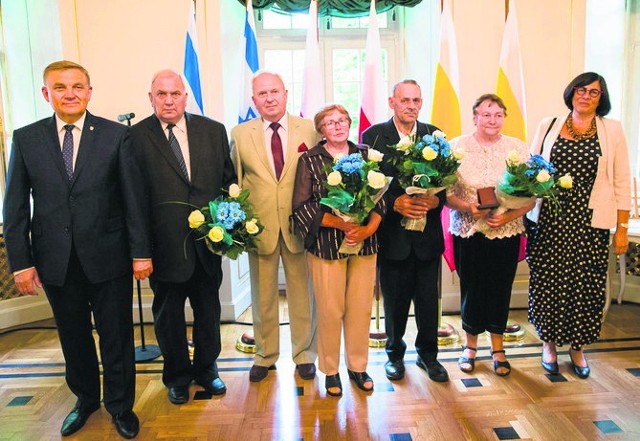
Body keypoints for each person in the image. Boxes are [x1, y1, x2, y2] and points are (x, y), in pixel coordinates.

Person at [3, 60, 151, 439]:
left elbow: (133, 200)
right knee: (73, 337)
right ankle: (85, 400)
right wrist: (21, 263)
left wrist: (141, 252)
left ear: (89, 91)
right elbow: (15, 206)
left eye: (77, 86)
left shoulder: (116, 136)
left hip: (110, 257)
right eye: (60, 87)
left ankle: (120, 406)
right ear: (46, 93)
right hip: (55, 260)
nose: (70, 93)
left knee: (116, 335)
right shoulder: (27, 138)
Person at [130, 70, 236, 404]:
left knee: (208, 313)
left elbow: (227, 185)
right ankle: (176, 375)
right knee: (168, 317)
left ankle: (207, 370)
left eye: (175, 93)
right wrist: (140, 251)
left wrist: (227, 231)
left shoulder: (213, 131)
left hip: (207, 245)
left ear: (185, 96)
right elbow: (132, 199)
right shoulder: (134, 137)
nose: (169, 100)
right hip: (163, 251)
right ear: (151, 98)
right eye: (161, 94)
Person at [526, 72, 630, 379]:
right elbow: (532, 169)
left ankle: (577, 347)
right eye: (580, 90)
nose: (585, 96)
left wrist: (622, 228)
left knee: (586, 284)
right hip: (550, 218)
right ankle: (548, 343)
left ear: (602, 98)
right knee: (548, 280)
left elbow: (622, 180)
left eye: (593, 92)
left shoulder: (612, 130)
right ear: (571, 92)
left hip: (591, 221)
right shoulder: (548, 125)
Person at [230, 71, 318, 383]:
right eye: (262, 94)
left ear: (286, 93)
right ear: (254, 100)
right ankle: (265, 355)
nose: (269, 98)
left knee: (302, 294)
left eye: (274, 92)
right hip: (260, 228)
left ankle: (304, 354)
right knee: (263, 296)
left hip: (300, 227)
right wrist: (238, 225)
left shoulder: (309, 128)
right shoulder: (240, 134)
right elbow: (236, 183)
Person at [292, 104, 385, 396]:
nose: (337, 126)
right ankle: (330, 370)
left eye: (342, 120)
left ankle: (358, 366)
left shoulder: (366, 155)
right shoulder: (310, 159)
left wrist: (366, 229)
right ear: (321, 130)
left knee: (360, 308)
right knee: (331, 310)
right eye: (330, 122)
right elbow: (302, 207)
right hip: (326, 246)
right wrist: (341, 225)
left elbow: (381, 199)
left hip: (365, 244)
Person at [362, 79, 449, 383]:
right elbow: (367, 185)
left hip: (428, 237)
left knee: (428, 302)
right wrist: (393, 202)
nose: (411, 106)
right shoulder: (373, 136)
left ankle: (428, 356)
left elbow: (448, 185)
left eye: (416, 100)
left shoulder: (435, 135)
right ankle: (394, 356)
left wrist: (436, 199)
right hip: (393, 236)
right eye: (405, 100)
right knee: (395, 302)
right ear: (392, 102)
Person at [446, 94, 532, 377]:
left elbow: (531, 197)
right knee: (472, 289)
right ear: (475, 118)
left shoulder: (517, 149)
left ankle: (498, 349)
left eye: (497, 115)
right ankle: (470, 347)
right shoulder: (456, 147)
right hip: (469, 231)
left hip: (505, 232)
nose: (492, 120)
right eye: (486, 114)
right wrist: (468, 208)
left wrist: (506, 216)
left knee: (500, 288)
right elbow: (445, 195)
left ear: (504, 118)